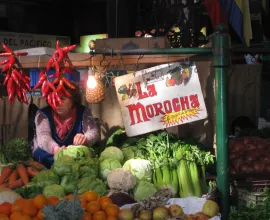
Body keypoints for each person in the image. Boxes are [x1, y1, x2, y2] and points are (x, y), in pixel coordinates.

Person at [32, 83, 100, 168]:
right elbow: (44, 137)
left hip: (73, 159)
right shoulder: (42, 114)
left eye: (62, 98)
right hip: (47, 156)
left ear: (73, 100)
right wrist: (55, 149)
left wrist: (85, 138)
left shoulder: (83, 112)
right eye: (54, 99)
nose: (58, 103)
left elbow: (93, 132)